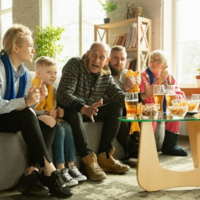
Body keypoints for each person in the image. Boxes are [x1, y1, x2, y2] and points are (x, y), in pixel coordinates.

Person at [0, 24, 72, 198]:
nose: (34, 50)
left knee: (50, 122)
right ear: (16, 48)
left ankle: (31, 174)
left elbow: (26, 109)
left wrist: (35, 100)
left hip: (12, 116)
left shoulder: (25, 73)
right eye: (30, 46)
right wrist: (26, 102)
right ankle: (50, 171)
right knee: (27, 114)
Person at [56, 41, 131, 181]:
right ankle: (88, 159)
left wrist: (143, 97)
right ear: (87, 54)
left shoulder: (106, 75)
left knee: (116, 107)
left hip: (90, 112)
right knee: (74, 108)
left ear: (106, 60)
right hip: (71, 111)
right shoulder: (75, 64)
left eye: (101, 57)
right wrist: (83, 108)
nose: (97, 60)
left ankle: (105, 155)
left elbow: (119, 97)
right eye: (94, 55)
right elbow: (62, 94)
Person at [32, 56, 87, 187]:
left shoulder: (53, 89)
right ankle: (60, 168)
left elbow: (54, 107)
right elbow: (31, 109)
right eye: (49, 72)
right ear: (39, 74)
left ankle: (71, 165)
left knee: (67, 126)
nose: (53, 76)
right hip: (36, 119)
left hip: (50, 118)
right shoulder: (34, 86)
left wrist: (58, 112)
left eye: (55, 72)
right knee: (60, 128)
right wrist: (45, 113)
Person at [139, 49, 187, 156]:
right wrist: (160, 81)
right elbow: (145, 98)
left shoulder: (169, 76)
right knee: (152, 111)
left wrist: (175, 96)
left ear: (164, 65)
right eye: (152, 59)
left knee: (176, 109)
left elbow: (180, 95)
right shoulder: (143, 75)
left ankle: (170, 145)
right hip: (148, 107)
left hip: (164, 108)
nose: (154, 63)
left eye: (158, 61)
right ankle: (147, 147)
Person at [108, 45, 141, 160]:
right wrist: (126, 88)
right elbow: (106, 99)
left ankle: (137, 147)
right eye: (115, 58)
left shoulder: (128, 74)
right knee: (119, 111)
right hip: (109, 107)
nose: (119, 62)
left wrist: (139, 88)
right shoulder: (105, 74)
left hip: (127, 107)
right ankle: (132, 150)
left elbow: (136, 97)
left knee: (139, 108)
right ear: (109, 59)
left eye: (122, 59)